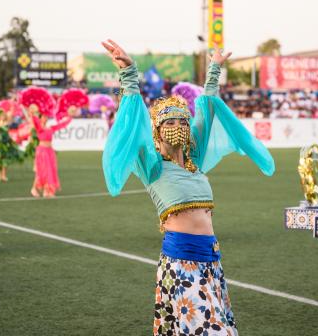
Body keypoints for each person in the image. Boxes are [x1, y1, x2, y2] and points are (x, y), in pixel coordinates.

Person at [101, 40, 275, 335]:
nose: (178, 124)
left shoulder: (195, 161)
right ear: (157, 131)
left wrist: (214, 69)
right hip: (181, 262)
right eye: (169, 121)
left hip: (211, 260)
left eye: (183, 119)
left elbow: (207, 110)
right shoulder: (152, 165)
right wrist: (129, 74)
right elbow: (136, 119)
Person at [23, 108, 71, 198]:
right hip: (42, 151)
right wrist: (32, 114)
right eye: (44, 117)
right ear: (40, 118)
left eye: (46, 117)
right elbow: (35, 121)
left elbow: (62, 125)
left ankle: (47, 191)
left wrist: (69, 117)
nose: (45, 118)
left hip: (50, 151)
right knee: (43, 171)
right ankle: (35, 188)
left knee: (50, 170)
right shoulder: (39, 128)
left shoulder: (50, 128)